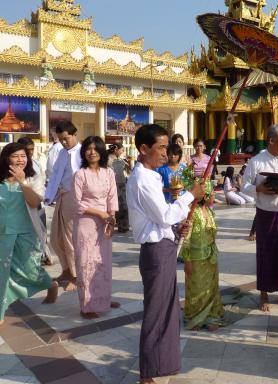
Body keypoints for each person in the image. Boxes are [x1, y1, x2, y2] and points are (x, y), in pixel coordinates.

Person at [126, 124, 205, 384]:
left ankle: (162, 363)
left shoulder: (151, 176)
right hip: (155, 252)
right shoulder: (141, 179)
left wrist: (174, 226)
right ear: (143, 148)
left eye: (166, 146)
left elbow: (161, 219)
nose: (165, 152)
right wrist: (190, 196)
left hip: (163, 246)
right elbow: (165, 213)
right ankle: (147, 373)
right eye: (160, 147)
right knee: (156, 311)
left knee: (168, 309)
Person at [242, 124, 278, 312]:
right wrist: (259, 188)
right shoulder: (257, 161)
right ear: (271, 140)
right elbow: (244, 185)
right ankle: (264, 294)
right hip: (266, 214)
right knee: (266, 255)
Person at [0, 143, 58, 325]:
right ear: (6, 158)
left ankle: (51, 284)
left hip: (26, 232)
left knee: (31, 270)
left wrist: (22, 182)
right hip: (3, 233)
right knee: (2, 273)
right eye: (15, 156)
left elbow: (34, 203)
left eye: (23, 156)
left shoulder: (34, 178)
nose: (20, 160)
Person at [73, 136, 119, 319]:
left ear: (101, 151)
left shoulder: (108, 172)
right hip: (86, 223)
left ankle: (103, 299)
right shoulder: (80, 174)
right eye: (88, 149)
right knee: (87, 264)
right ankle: (87, 306)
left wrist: (111, 220)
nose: (91, 152)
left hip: (105, 222)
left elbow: (112, 197)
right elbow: (77, 205)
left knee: (103, 262)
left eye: (95, 148)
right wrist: (100, 214)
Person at [180, 179, 224, 330]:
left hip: (211, 256)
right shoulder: (192, 213)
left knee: (211, 288)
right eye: (211, 193)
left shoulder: (210, 211)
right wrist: (187, 260)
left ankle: (212, 316)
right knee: (196, 289)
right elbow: (186, 239)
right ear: (204, 195)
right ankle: (195, 317)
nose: (213, 196)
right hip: (196, 258)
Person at [45, 121, 82, 291]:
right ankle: (66, 270)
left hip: (75, 200)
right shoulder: (61, 152)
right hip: (61, 197)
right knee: (56, 238)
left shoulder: (83, 152)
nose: (64, 142)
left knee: (70, 239)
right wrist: (49, 195)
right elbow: (54, 176)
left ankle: (76, 276)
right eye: (61, 140)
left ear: (75, 135)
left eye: (66, 139)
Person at [17, 137, 52, 265]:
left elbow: (40, 186)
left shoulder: (36, 164)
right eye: (27, 150)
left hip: (36, 203)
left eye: (32, 149)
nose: (30, 152)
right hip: (19, 207)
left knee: (40, 231)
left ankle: (43, 255)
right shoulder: (12, 166)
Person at [108, 144, 130, 233]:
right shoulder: (109, 159)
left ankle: (122, 225)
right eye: (121, 150)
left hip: (121, 182)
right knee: (121, 205)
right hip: (115, 184)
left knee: (122, 204)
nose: (122, 152)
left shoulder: (119, 159)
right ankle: (123, 225)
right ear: (116, 149)